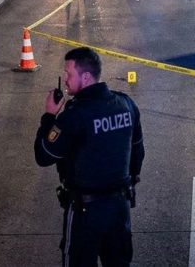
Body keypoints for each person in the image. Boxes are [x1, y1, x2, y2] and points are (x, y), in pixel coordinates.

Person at [35, 47, 145, 267]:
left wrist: (49, 116)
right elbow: (138, 153)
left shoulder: (73, 116)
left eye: (69, 74)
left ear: (85, 77)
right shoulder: (126, 104)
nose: (65, 80)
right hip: (119, 208)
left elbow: (44, 155)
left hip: (85, 213)